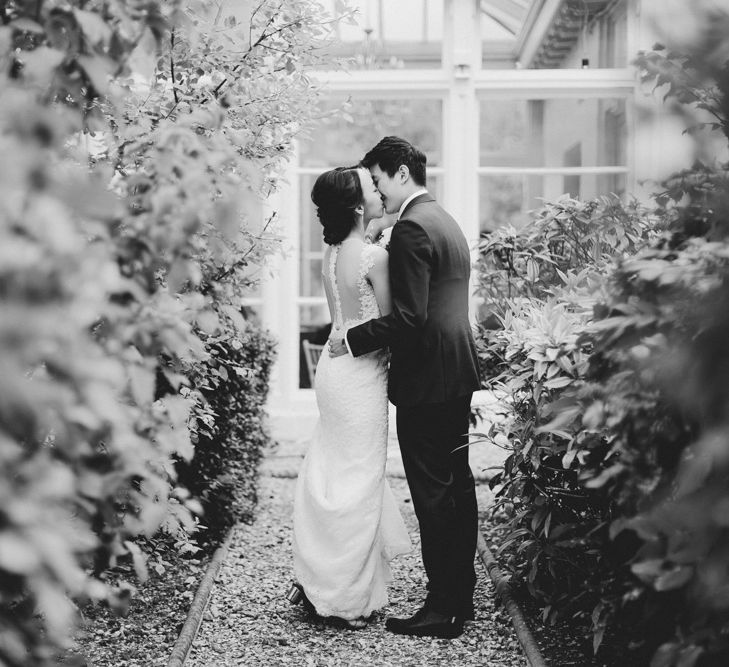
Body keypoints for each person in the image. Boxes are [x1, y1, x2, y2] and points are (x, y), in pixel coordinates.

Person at [329, 136, 482, 639]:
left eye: (376, 180)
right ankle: (461, 596)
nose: (376, 192)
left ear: (399, 173)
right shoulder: (443, 219)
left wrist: (353, 338)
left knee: (434, 494)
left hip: (427, 380)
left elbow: (411, 319)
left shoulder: (413, 229)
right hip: (455, 371)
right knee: (457, 486)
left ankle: (442, 609)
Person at [291, 165, 411, 630]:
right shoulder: (375, 260)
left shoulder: (332, 250)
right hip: (361, 376)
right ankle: (346, 596)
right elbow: (387, 328)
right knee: (360, 481)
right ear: (360, 204)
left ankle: (320, 579)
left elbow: (342, 318)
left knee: (333, 472)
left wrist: (375, 229)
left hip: (332, 370)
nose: (379, 191)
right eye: (370, 187)